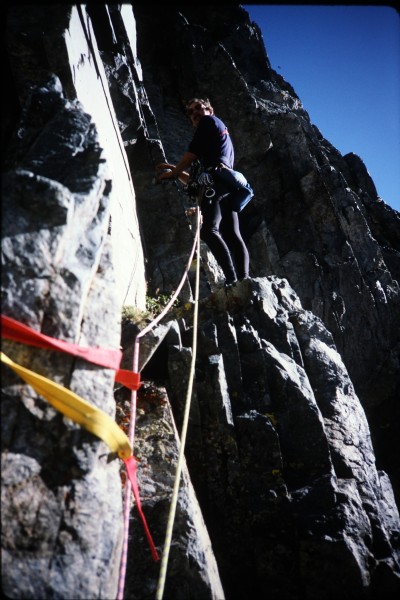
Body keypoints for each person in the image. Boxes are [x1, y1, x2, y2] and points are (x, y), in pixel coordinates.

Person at [157, 97, 254, 287]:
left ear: (209, 109)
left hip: (215, 183)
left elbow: (192, 154)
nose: (195, 114)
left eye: (198, 108)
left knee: (209, 231)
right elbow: (196, 181)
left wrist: (174, 172)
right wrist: (175, 171)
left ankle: (232, 280)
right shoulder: (216, 138)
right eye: (191, 113)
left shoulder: (209, 122)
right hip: (224, 184)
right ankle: (244, 279)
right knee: (232, 234)